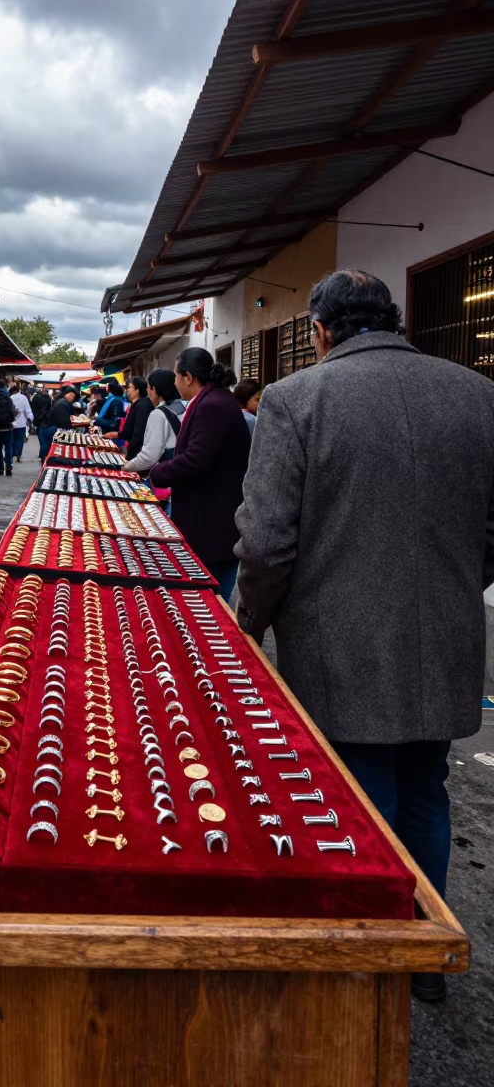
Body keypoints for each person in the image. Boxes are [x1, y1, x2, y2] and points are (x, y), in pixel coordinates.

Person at [234, 269, 494, 1002]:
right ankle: (423, 955)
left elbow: (265, 542)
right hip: (443, 634)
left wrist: (252, 620)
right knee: (425, 787)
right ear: (394, 319)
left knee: (356, 793)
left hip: (337, 638)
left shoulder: (297, 399)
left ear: (318, 329)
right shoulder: (477, 394)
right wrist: (452, 586)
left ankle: (365, 962)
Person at [150, 348, 249, 600]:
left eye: (175, 376)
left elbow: (196, 459)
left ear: (188, 377)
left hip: (212, 523)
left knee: (208, 600)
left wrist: (158, 473)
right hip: (214, 519)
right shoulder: (212, 400)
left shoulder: (213, 405)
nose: (174, 382)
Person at [122, 368, 181, 476]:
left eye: (148, 388)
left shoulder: (158, 414)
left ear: (154, 389)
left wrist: (127, 466)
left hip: (170, 475)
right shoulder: (183, 407)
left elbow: (150, 455)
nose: (147, 392)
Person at [37, 385, 80, 460]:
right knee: (49, 452)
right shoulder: (62, 405)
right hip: (50, 430)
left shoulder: (63, 402)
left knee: (47, 450)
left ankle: (45, 460)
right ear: (71, 395)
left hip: (49, 428)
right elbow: (64, 423)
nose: (74, 401)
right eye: (74, 398)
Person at [118, 376, 153, 463]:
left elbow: (139, 433)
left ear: (137, 390)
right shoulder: (136, 405)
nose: (127, 391)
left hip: (138, 454)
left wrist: (131, 458)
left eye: (130, 388)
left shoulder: (142, 406)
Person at [10, 383, 34, 463]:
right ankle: (18, 454)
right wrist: (29, 419)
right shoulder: (24, 398)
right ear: (18, 390)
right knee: (20, 440)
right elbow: (28, 411)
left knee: (12, 440)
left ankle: (12, 453)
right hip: (21, 424)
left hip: (11, 424)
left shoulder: (10, 398)